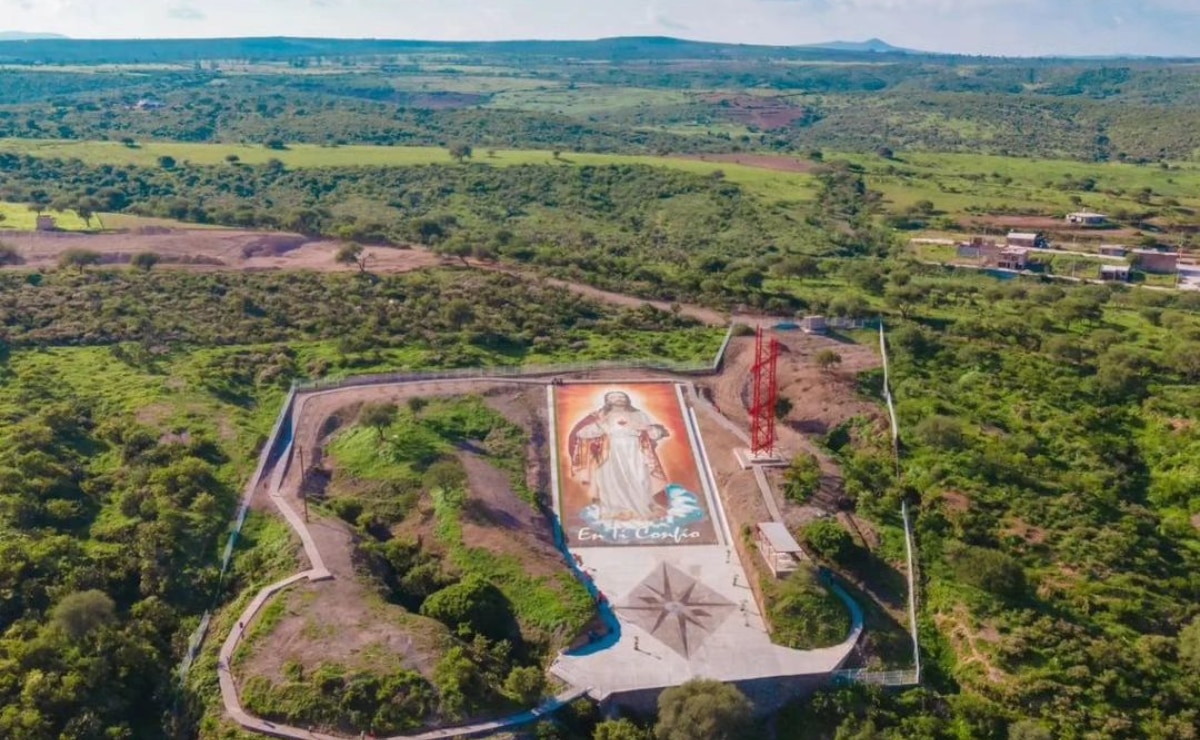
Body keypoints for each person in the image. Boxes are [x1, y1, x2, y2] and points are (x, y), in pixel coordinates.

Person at [568, 390, 670, 521]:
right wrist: (599, 424)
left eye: (621, 396)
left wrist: (647, 428)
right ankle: (615, 511)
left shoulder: (639, 415)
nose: (618, 399)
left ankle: (642, 509)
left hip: (635, 450)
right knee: (612, 480)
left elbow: (655, 434)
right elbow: (581, 434)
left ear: (627, 399)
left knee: (640, 478)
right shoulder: (599, 415)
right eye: (614, 397)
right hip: (609, 451)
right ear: (607, 401)